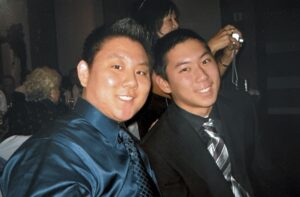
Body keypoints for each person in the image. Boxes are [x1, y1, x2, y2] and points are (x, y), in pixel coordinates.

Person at [0, 18, 160, 196]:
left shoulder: (128, 144)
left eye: (141, 72)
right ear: (84, 73)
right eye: (117, 66)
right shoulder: (54, 154)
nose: (132, 82)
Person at [142, 28, 268, 196]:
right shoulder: (157, 149)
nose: (202, 76)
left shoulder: (240, 105)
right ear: (164, 83)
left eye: (206, 61)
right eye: (185, 69)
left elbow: (264, 171)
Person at [128, 0, 243, 139]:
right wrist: (207, 49)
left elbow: (202, 81)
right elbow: (160, 85)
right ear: (151, 22)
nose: (176, 24)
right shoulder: (140, 52)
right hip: (155, 126)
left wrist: (226, 56)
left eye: (176, 19)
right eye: (169, 19)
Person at [2, 66, 65, 139]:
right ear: (52, 92)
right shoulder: (56, 111)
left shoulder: (21, 109)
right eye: (57, 88)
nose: (59, 92)